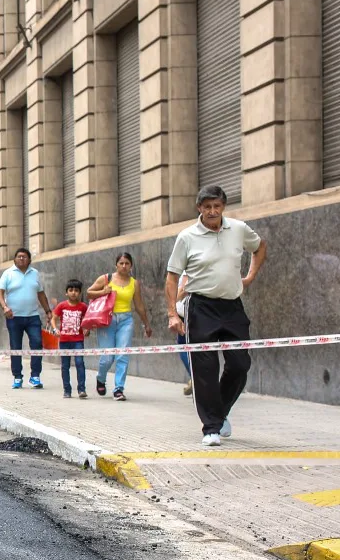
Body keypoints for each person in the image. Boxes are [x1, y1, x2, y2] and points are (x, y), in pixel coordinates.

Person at [166, 185, 267, 447]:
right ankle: (211, 427)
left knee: (239, 364)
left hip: (232, 306)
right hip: (200, 307)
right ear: (199, 208)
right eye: (207, 206)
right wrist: (172, 314)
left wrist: (250, 277)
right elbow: (172, 276)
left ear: (223, 207)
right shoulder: (187, 237)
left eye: (217, 206)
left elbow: (259, 247)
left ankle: (220, 413)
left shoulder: (238, 229)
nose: (212, 211)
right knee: (205, 368)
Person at [87, 253, 152, 401]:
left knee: (122, 354)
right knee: (108, 357)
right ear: (116, 265)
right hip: (107, 319)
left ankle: (118, 389)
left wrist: (146, 324)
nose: (124, 266)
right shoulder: (106, 278)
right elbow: (89, 293)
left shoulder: (134, 283)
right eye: (121, 263)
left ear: (131, 266)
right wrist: (102, 292)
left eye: (127, 263)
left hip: (126, 321)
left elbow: (139, 305)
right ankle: (101, 378)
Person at [0, 248, 54, 389]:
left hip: (32, 316)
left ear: (29, 260)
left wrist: (48, 311)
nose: (22, 259)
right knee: (16, 347)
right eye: (19, 257)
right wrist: (5, 307)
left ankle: (35, 376)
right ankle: (17, 376)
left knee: (37, 344)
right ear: (14, 259)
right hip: (14, 317)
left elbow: (40, 294)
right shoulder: (8, 273)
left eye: (24, 257)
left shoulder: (35, 274)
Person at [51, 280, 89, 399]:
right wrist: (55, 329)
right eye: (71, 290)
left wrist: (87, 329)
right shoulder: (62, 306)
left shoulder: (83, 306)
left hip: (78, 340)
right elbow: (53, 319)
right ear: (66, 292)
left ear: (80, 292)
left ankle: (81, 389)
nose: (73, 293)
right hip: (64, 341)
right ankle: (67, 390)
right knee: (65, 365)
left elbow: (88, 320)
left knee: (79, 363)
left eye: (76, 291)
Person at [175, 275, 192, 396]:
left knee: (184, 347)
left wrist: (172, 306)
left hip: (188, 314)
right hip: (186, 313)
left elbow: (183, 290)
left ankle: (195, 378)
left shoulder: (188, 269)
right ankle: (195, 379)